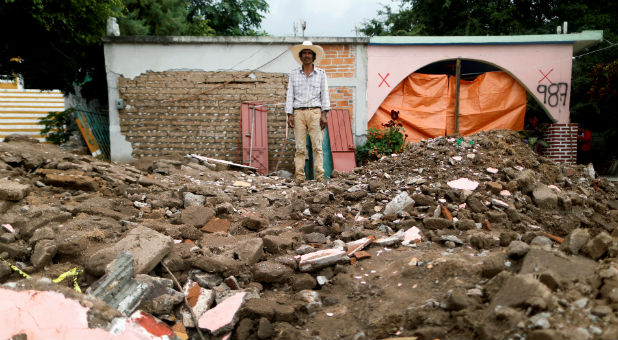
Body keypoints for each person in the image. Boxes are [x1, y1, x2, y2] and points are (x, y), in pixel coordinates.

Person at [285, 41, 330, 183]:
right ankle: (299, 177)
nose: (307, 55)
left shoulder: (321, 74)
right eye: (304, 53)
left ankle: (320, 177)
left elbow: (325, 94)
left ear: (313, 56)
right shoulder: (293, 74)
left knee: (317, 146)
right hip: (298, 113)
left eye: (309, 53)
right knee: (300, 147)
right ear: (300, 56)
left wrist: (324, 114)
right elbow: (290, 95)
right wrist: (289, 114)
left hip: (315, 113)